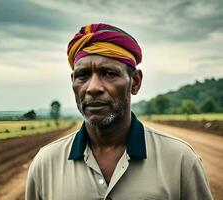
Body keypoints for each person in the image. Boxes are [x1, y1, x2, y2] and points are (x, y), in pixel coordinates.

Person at [25, 23, 213, 200]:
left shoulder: (179, 159)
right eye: (83, 76)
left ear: (135, 82)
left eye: (109, 73)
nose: (93, 88)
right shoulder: (46, 163)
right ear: (73, 81)